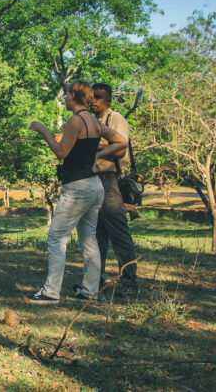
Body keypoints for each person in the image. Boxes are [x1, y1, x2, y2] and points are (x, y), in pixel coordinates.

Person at [28, 81, 127, 304]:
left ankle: (51, 291)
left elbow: (61, 153)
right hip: (95, 186)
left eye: (66, 95)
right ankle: (89, 291)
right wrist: (97, 157)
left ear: (73, 95)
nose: (64, 98)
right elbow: (120, 141)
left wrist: (43, 130)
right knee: (89, 239)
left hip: (77, 189)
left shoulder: (76, 120)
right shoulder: (93, 121)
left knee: (56, 238)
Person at [90, 83, 139, 297]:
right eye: (91, 97)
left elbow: (120, 149)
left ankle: (129, 283)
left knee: (119, 234)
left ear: (108, 101)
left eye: (98, 97)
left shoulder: (115, 118)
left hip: (109, 180)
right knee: (96, 235)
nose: (94, 101)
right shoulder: (92, 120)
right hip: (93, 179)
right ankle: (95, 282)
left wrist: (91, 145)